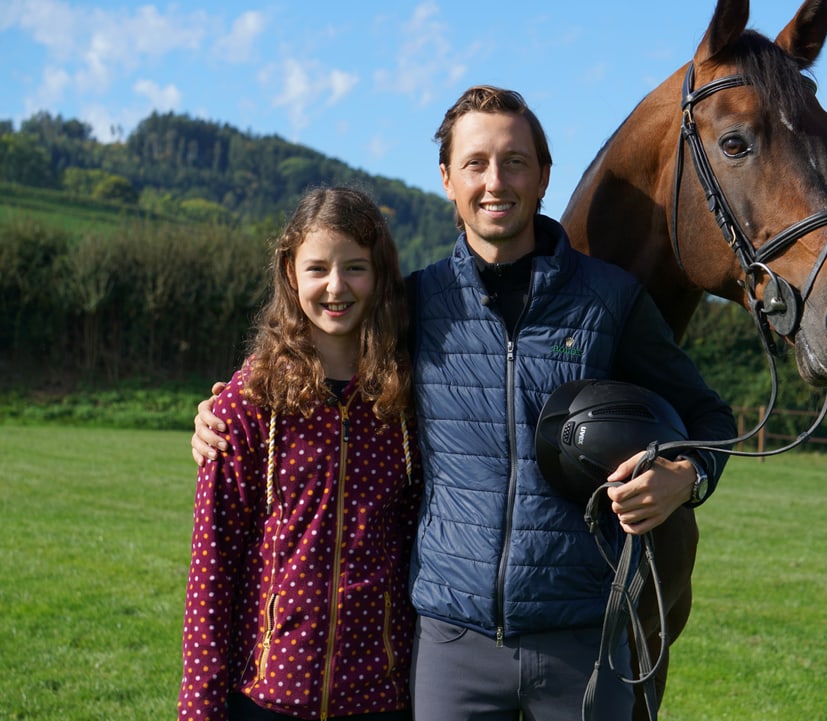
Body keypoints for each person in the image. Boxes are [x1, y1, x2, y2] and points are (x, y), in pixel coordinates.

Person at [192, 86, 737, 721]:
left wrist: (686, 475)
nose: (495, 181)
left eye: (514, 161)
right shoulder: (416, 301)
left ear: (543, 177)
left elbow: (709, 417)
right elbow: (320, 336)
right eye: (475, 163)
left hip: (582, 641)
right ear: (448, 179)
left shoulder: (611, 301)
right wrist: (226, 406)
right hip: (451, 647)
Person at [177, 187, 421, 721]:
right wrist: (199, 709)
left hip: (380, 700)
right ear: (291, 274)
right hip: (266, 699)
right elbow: (210, 572)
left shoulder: (406, 400)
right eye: (318, 269)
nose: (337, 286)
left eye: (355, 267)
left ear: (379, 273)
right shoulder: (247, 403)